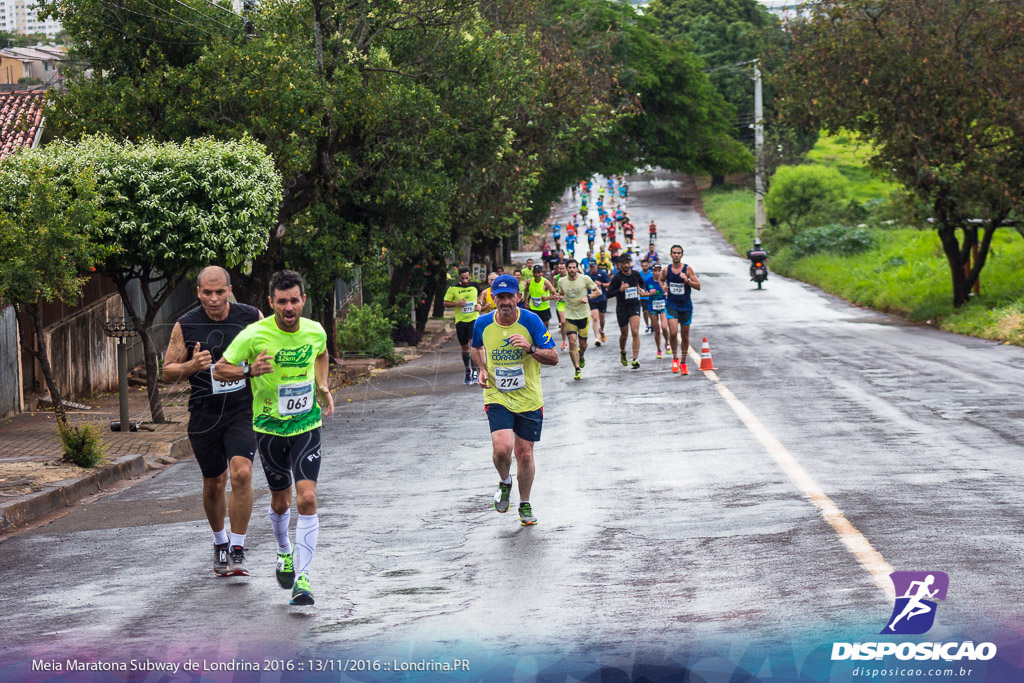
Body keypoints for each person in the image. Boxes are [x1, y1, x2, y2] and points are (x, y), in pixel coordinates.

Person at [215, 270, 335, 606]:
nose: (288, 307)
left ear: (303, 301)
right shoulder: (254, 335)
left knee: (307, 498)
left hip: (306, 426)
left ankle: (303, 578)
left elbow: (322, 353)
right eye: (281, 301)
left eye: (294, 300)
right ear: (271, 303)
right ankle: (284, 551)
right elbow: (219, 369)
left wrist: (321, 383)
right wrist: (248, 371)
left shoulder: (315, 331)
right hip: (268, 429)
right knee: (281, 502)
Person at [162, 266, 262, 578]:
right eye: (208, 292)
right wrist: (191, 365)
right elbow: (166, 373)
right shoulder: (186, 324)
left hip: (243, 410)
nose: (214, 298)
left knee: (241, 474)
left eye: (220, 292)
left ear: (230, 289)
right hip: (205, 414)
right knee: (214, 482)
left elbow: (269, 353)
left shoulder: (251, 317)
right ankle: (220, 542)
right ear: (198, 292)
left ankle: (237, 547)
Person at [471, 275, 558, 526]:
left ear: (519, 297)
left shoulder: (531, 321)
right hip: (497, 394)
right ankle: (505, 481)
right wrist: (482, 368)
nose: (505, 301)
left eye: (510, 296)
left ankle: (525, 504)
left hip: (529, 397)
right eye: (500, 296)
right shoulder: (482, 323)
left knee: (525, 455)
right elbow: (475, 347)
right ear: (492, 298)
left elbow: (553, 357)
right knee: (501, 449)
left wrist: (530, 348)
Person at [659, 245, 701, 375]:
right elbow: (661, 280)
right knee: (672, 332)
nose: (676, 255)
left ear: (682, 255)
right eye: (674, 253)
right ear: (670, 255)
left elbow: (698, 286)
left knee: (684, 335)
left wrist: (687, 281)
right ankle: (675, 359)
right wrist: (663, 288)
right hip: (672, 305)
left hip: (686, 306)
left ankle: (683, 362)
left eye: (678, 253)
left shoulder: (687, 269)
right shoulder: (666, 270)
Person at [556, 259, 601, 380]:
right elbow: (561, 294)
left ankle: (581, 355)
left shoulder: (584, 278)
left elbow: (598, 291)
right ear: (566, 269)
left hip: (583, 315)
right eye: (569, 268)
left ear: (577, 268)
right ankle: (577, 369)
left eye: (573, 267)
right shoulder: (561, 281)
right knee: (572, 341)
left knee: (583, 344)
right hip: (570, 315)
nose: (571, 270)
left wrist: (588, 297)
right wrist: (554, 297)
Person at [606, 254, 650, 369]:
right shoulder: (617, 277)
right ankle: (623, 351)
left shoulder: (635, 274)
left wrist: (642, 289)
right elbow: (608, 293)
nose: (626, 265)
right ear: (619, 264)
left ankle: (635, 359)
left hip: (634, 306)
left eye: (627, 262)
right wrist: (619, 290)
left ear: (630, 263)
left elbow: (642, 283)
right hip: (622, 308)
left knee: (635, 331)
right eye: (623, 263)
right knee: (624, 334)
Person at [444, 266, 482, 385]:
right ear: (459, 277)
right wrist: (457, 303)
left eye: (467, 278)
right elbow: (445, 303)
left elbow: (481, 294)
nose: (465, 281)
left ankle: (475, 371)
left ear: (470, 276)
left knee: (473, 346)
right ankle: (467, 370)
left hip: (473, 319)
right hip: (460, 321)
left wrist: (479, 304)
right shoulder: (453, 288)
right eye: (462, 278)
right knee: (465, 348)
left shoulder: (475, 285)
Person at [525, 264, 558, 329]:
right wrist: (526, 300)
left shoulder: (546, 282)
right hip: (533, 308)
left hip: (544, 308)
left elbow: (555, 295)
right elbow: (527, 290)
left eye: (538, 272)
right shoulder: (529, 282)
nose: (536, 274)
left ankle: (545, 339)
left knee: (544, 329)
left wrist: (547, 298)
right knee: (533, 328)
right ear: (532, 273)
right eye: (535, 272)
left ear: (541, 273)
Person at [587, 261, 610, 346]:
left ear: (596, 266)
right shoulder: (587, 275)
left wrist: (601, 284)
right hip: (592, 299)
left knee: (602, 319)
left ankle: (602, 330)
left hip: (602, 298)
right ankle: (597, 338)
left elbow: (609, 284)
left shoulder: (602, 273)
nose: (592, 268)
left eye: (594, 266)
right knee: (595, 318)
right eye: (591, 267)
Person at [552, 261, 569, 350]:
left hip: (570, 302)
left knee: (571, 322)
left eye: (563, 268)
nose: (561, 270)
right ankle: (564, 342)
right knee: (563, 322)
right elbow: (553, 288)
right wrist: (555, 294)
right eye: (560, 268)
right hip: (561, 302)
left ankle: (572, 338)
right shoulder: (556, 278)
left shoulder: (570, 277)